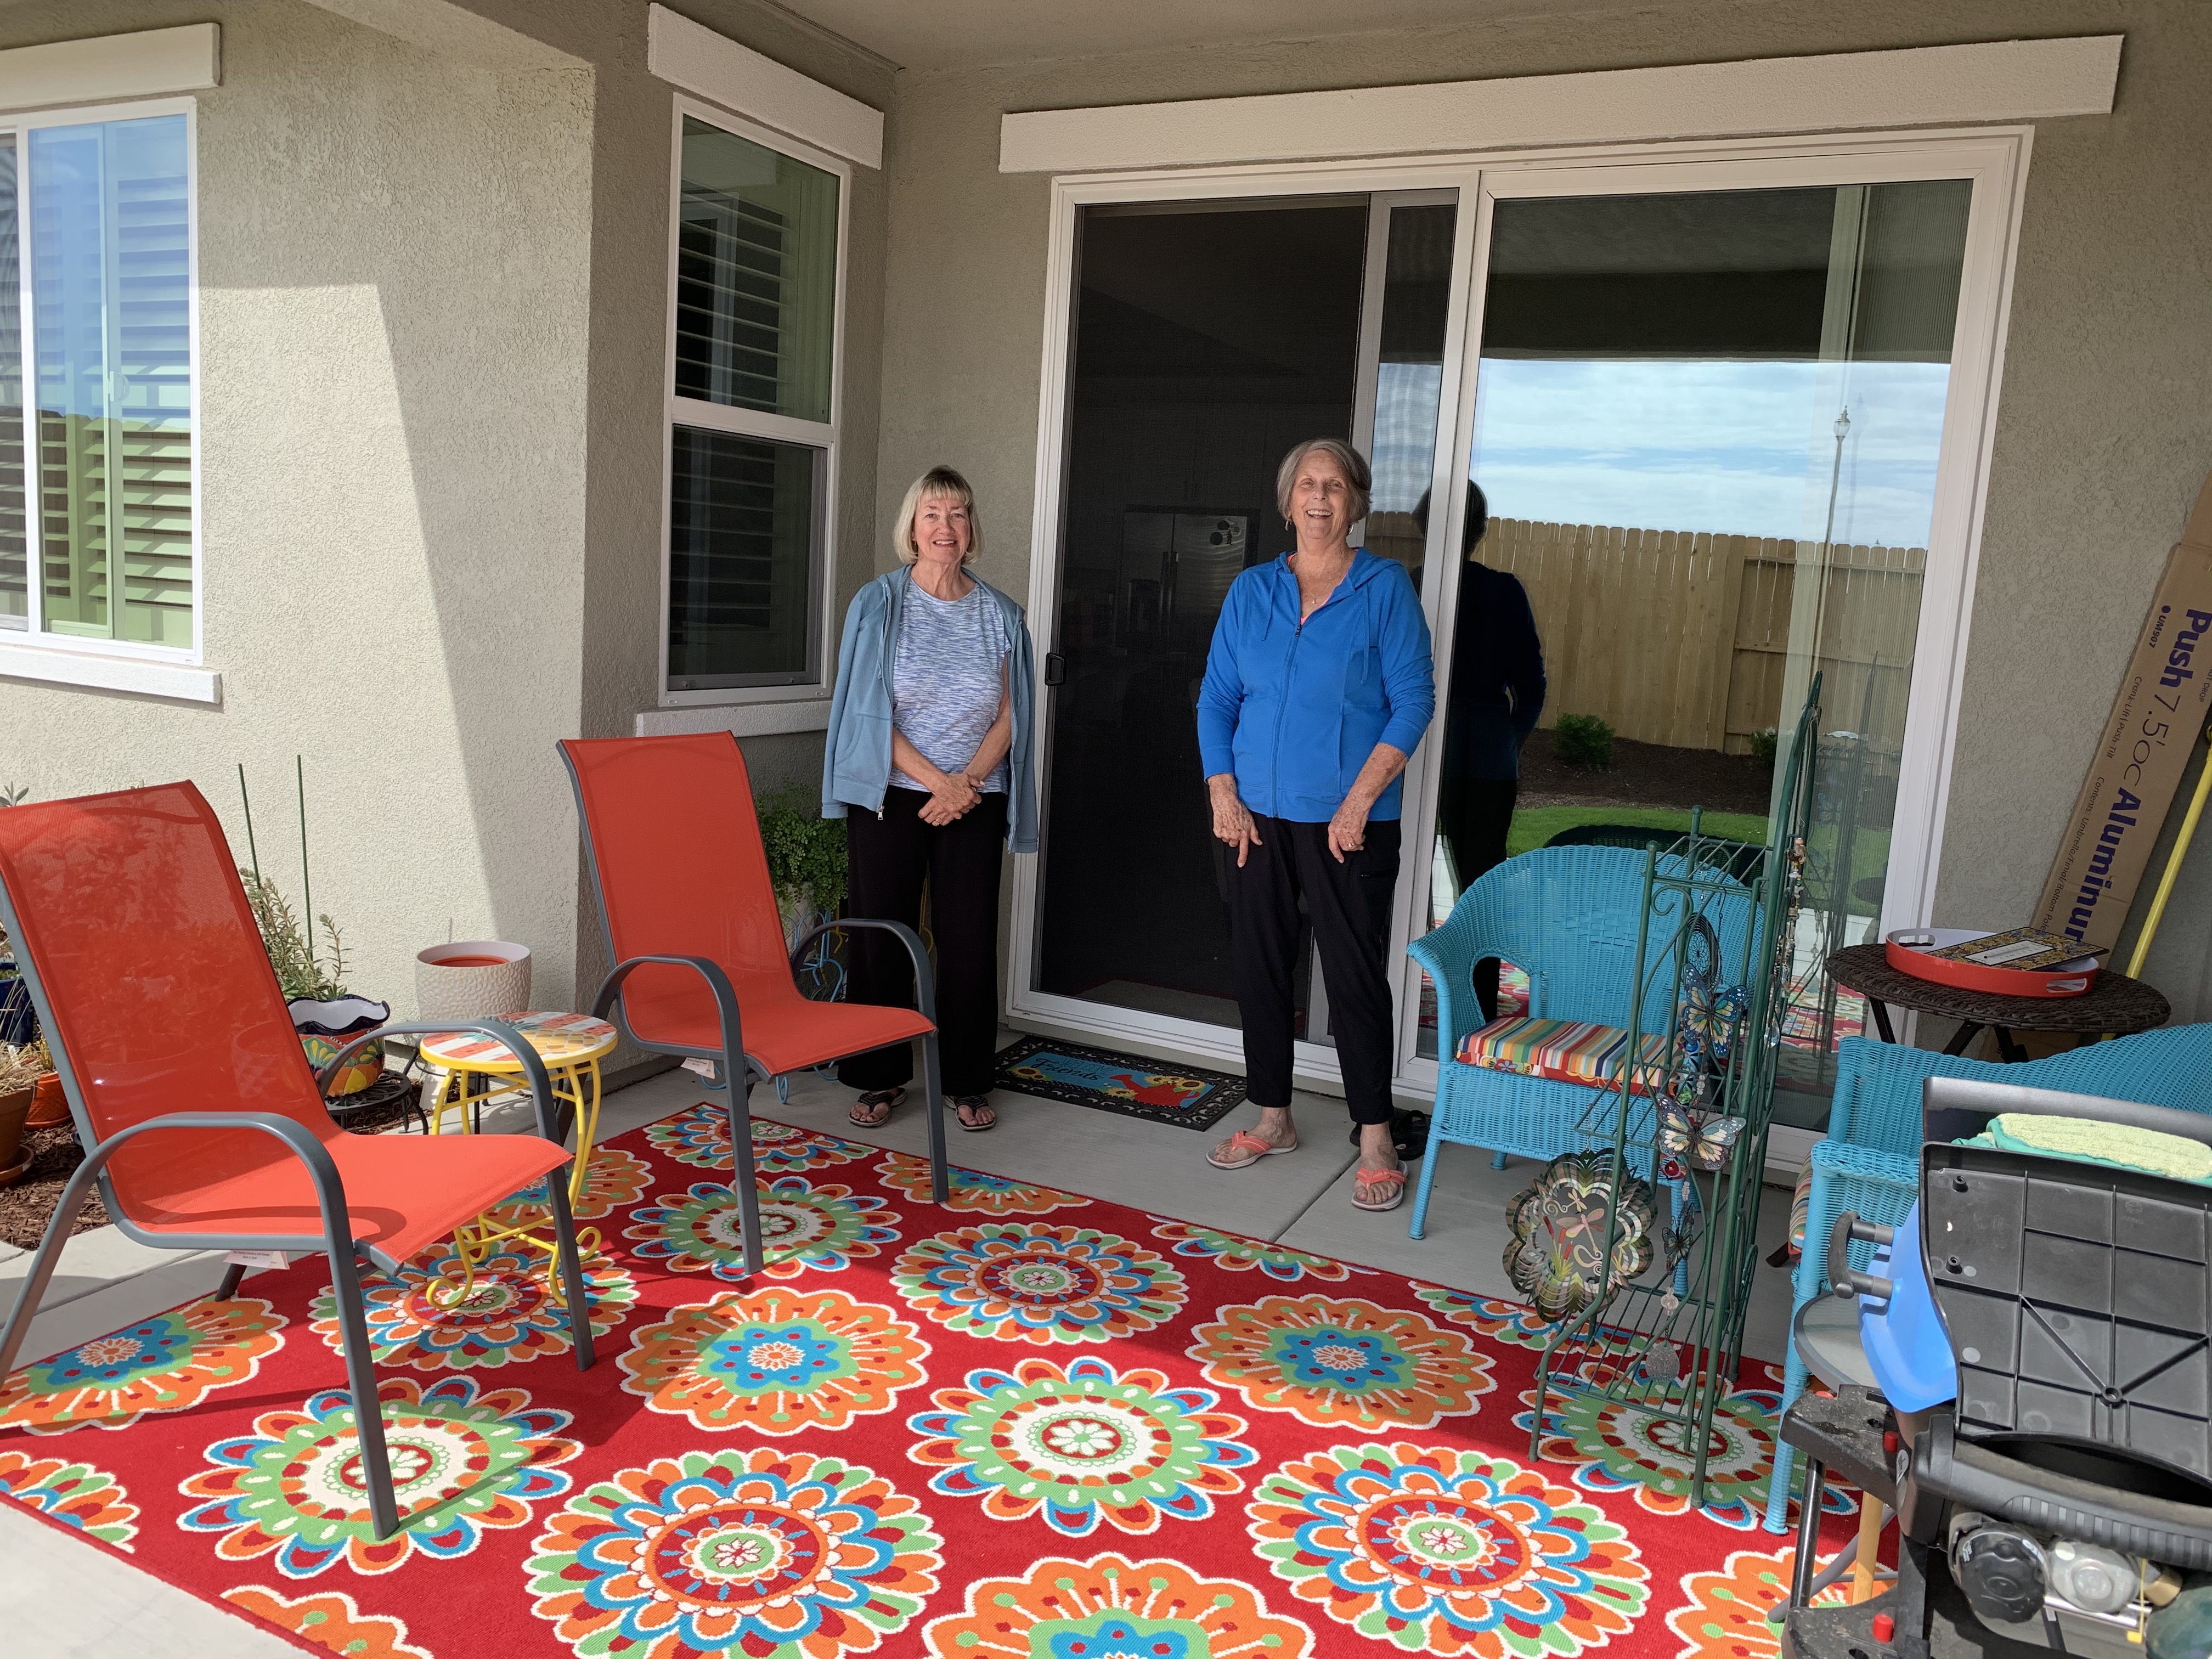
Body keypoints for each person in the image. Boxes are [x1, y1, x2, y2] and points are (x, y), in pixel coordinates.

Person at [1196, 438, 1435, 1210]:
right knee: (1259, 966)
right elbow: (1217, 699)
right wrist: (1222, 793)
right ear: (1288, 499)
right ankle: (1273, 1115)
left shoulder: (1384, 588)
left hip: (1347, 824)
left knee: (1355, 976)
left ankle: (1375, 1132)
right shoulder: (1251, 591)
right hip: (1253, 819)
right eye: (1308, 483)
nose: (1320, 497)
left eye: (1335, 485)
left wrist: (1359, 801)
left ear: (1355, 502)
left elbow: (1414, 701)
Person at [821, 465, 1038, 1133]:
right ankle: (879, 1074)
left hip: (975, 798)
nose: (946, 527)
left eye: (958, 514)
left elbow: (1013, 713)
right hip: (889, 795)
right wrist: (936, 782)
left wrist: (964, 783)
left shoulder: (1002, 613)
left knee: (969, 942)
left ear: (971, 529)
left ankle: (967, 1079)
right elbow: (866, 708)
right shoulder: (878, 603)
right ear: (913, 528)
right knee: (881, 936)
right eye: (933, 514)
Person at [1425, 483, 1545, 1020]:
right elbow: (1531, 689)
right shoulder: (1498, 591)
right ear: (1481, 530)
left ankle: (1454, 1008)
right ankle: (1475, 1015)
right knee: (1478, 890)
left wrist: (1501, 741)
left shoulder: (1417, 585)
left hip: (1449, 757)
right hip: (1467, 757)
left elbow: (1532, 688)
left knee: (1444, 887)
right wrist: (1506, 738)